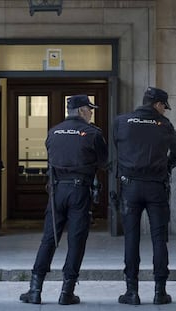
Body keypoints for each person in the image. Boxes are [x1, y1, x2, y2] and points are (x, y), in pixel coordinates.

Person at [19, 95, 108, 305]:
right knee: (76, 241)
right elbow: (104, 162)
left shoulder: (53, 132)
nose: (91, 112)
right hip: (79, 191)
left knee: (49, 239)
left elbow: (52, 158)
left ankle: (34, 289)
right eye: (90, 109)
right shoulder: (93, 133)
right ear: (81, 111)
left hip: (56, 191)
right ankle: (67, 292)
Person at [113, 86, 176, 305]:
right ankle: (159, 292)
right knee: (159, 239)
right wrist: (166, 167)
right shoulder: (163, 124)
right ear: (157, 104)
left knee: (131, 239)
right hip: (156, 188)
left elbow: (116, 151)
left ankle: (131, 292)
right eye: (165, 107)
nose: (165, 111)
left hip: (130, 187)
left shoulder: (121, 121)